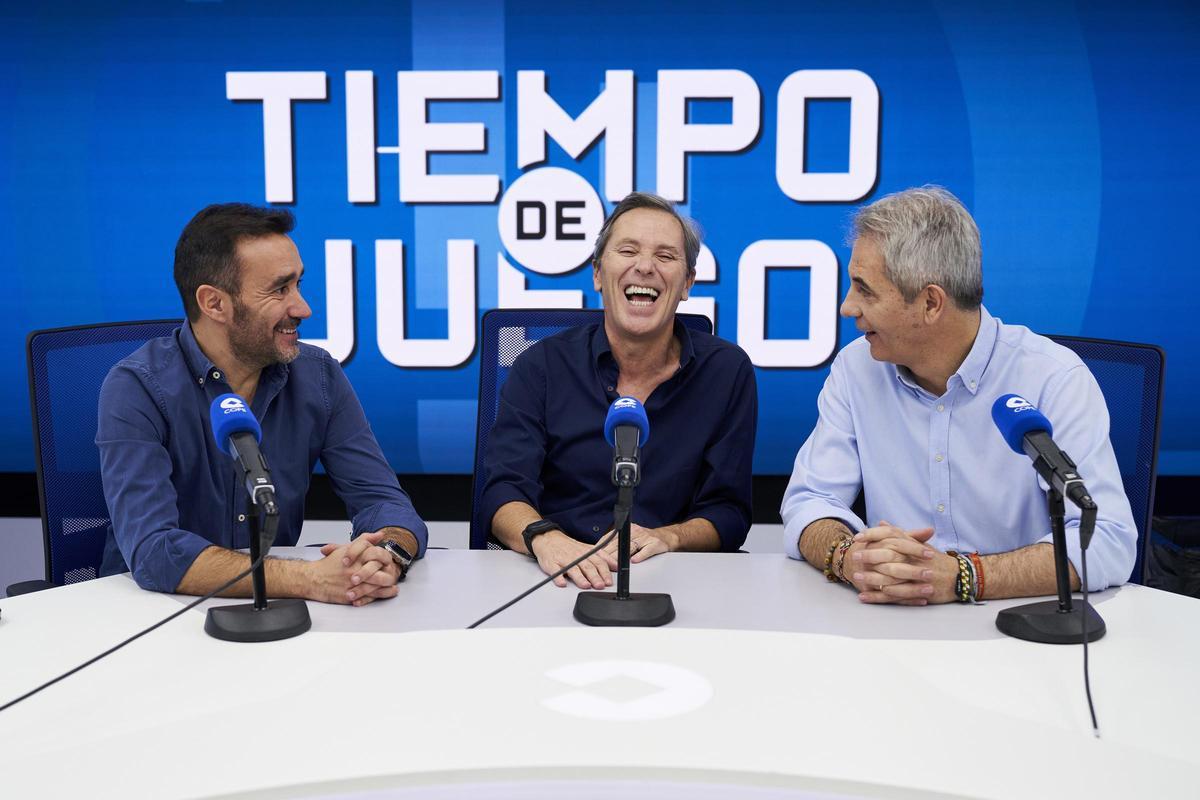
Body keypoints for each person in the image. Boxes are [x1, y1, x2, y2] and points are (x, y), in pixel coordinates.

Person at [781, 186, 1136, 604]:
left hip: (1019, 629)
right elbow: (810, 500)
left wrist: (965, 577)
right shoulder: (856, 368)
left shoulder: (1054, 379)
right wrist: (848, 556)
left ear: (931, 303)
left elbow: (1107, 539)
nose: (848, 307)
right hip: (891, 626)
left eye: (865, 290)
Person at [97, 203, 427, 605]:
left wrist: (385, 555)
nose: (303, 308)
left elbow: (385, 503)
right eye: (279, 289)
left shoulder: (318, 375)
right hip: (146, 620)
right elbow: (155, 553)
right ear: (214, 304)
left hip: (273, 614)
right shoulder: (137, 387)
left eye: (298, 285)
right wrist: (308, 579)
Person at [480, 192, 757, 589]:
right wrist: (547, 539)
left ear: (687, 284)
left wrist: (669, 537)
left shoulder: (727, 372)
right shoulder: (540, 365)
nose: (645, 267)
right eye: (628, 251)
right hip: (556, 578)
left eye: (665, 256)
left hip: (669, 581)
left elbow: (728, 512)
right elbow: (502, 492)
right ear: (597, 273)